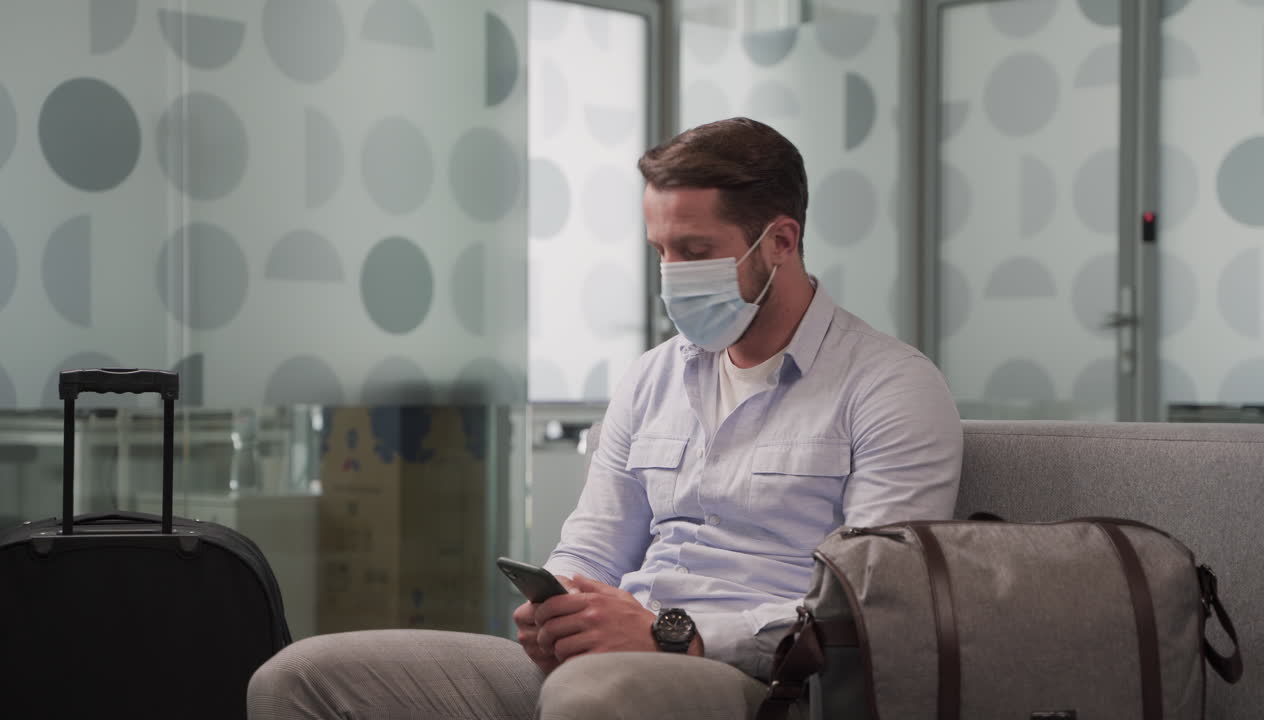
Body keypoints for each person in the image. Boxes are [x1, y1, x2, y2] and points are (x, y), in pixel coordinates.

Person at [247, 117, 962, 720]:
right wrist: (555, 607)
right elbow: (590, 548)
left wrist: (672, 635)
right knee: (300, 678)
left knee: (595, 696)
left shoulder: (891, 388)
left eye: (694, 251)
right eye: (660, 251)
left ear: (781, 240)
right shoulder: (654, 377)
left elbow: (872, 613)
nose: (671, 274)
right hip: (612, 664)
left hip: (761, 681)